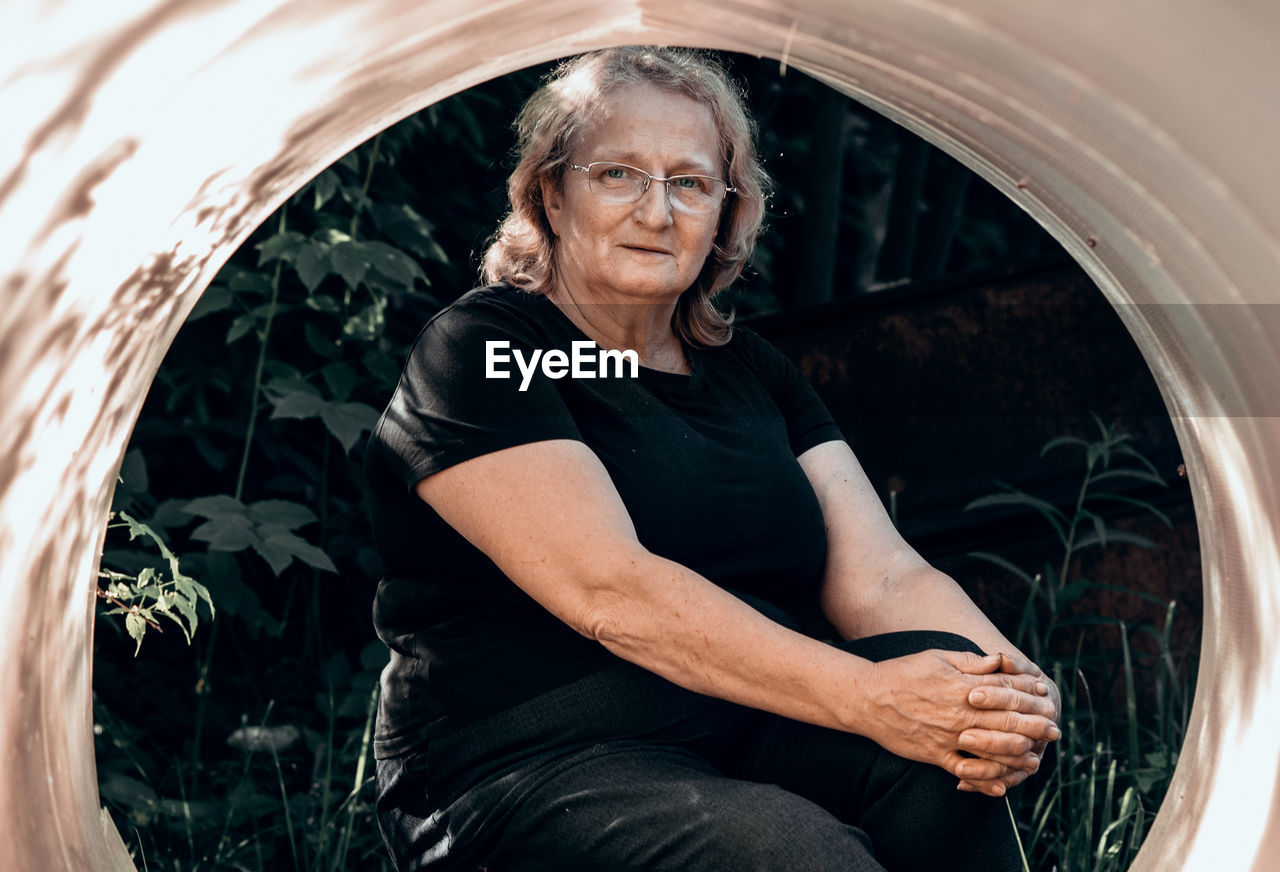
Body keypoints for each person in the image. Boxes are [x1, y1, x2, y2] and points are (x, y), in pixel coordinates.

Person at [365, 46, 1062, 872]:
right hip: (527, 765)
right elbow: (611, 591)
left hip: (742, 732)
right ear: (552, 192)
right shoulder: (491, 348)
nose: (657, 213)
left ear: (726, 213)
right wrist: (870, 697)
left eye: (690, 183)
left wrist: (1005, 694)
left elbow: (883, 578)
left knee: (948, 764)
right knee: (794, 857)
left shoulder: (750, 371)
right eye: (619, 174)